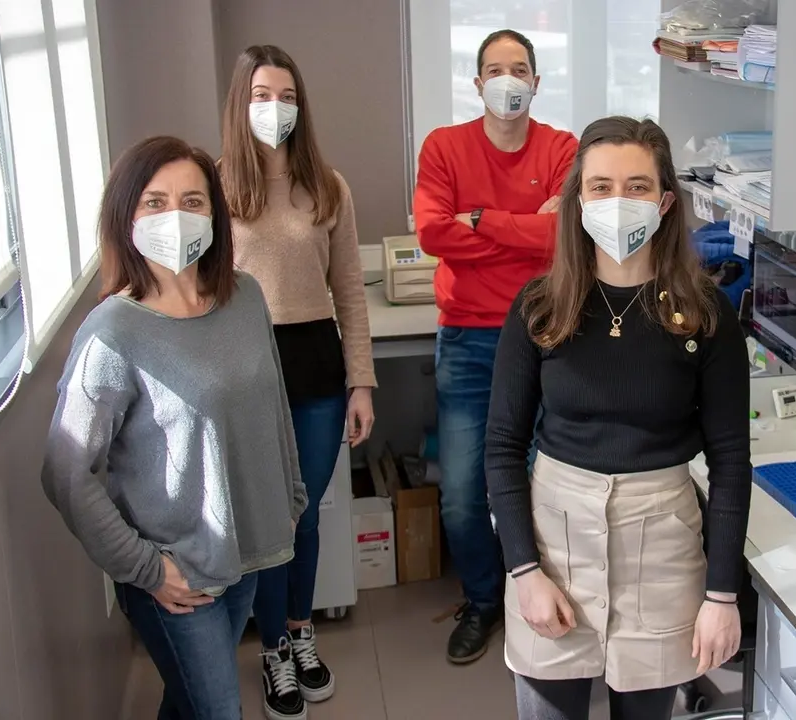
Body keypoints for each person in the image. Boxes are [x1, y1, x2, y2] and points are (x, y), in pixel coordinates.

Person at [484, 116, 753, 720]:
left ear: (664, 202)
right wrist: (524, 570)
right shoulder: (540, 307)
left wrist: (722, 595)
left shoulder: (706, 314)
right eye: (601, 187)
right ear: (579, 200)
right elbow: (502, 446)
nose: (618, 201)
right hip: (554, 546)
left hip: (662, 551)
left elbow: (731, 460)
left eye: (637, 187)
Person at [40, 136, 306, 720]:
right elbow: (65, 471)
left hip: (242, 552)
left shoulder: (245, 297)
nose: (176, 216)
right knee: (217, 709)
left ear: (214, 214)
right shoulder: (112, 333)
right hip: (177, 574)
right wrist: (146, 569)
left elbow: (273, 404)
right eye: (155, 203)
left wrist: (288, 496)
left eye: (192, 201)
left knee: (188, 701)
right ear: (126, 216)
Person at [220, 45, 377, 719]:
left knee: (303, 514)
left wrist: (361, 383)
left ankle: (300, 630)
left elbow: (350, 293)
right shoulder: (217, 186)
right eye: (261, 95)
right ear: (241, 102)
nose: (274, 107)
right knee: (267, 522)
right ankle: (273, 652)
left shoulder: (328, 187)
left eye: (285, 96)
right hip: (245, 368)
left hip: (316, 365)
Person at [413, 29, 579, 664]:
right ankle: (485, 602)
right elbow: (433, 233)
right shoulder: (444, 147)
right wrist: (526, 229)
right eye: (495, 69)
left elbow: (563, 237)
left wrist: (481, 221)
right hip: (469, 339)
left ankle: (540, 600)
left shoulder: (563, 149)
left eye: (520, 69)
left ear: (536, 82)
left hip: (545, 335)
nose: (508, 80)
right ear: (478, 82)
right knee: (461, 494)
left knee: (545, 486)